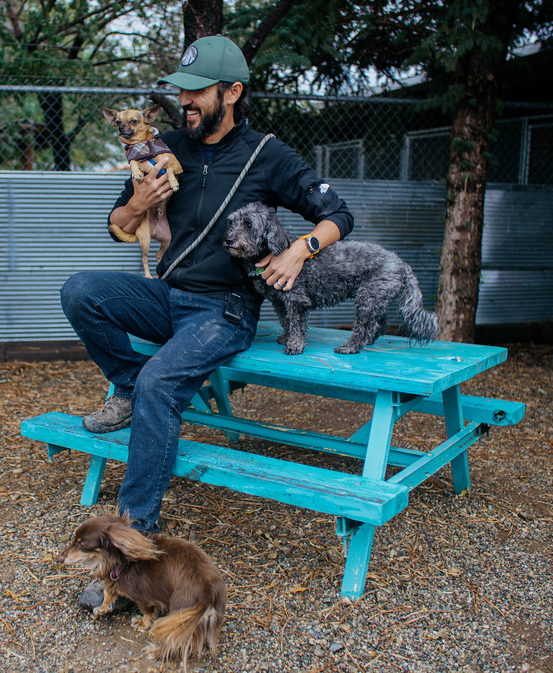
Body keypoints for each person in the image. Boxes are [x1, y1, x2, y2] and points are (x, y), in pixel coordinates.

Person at [59, 35, 354, 606]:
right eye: (181, 92)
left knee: (161, 381)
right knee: (81, 291)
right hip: (168, 294)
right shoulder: (164, 147)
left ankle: (132, 547)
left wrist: (300, 250)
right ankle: (125, 386)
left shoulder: (269, 154)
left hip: (226, 308)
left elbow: (338, 212)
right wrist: (142, 201)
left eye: (196, 93)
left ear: (233, 91)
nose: (185, 102)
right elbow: (118, 226)